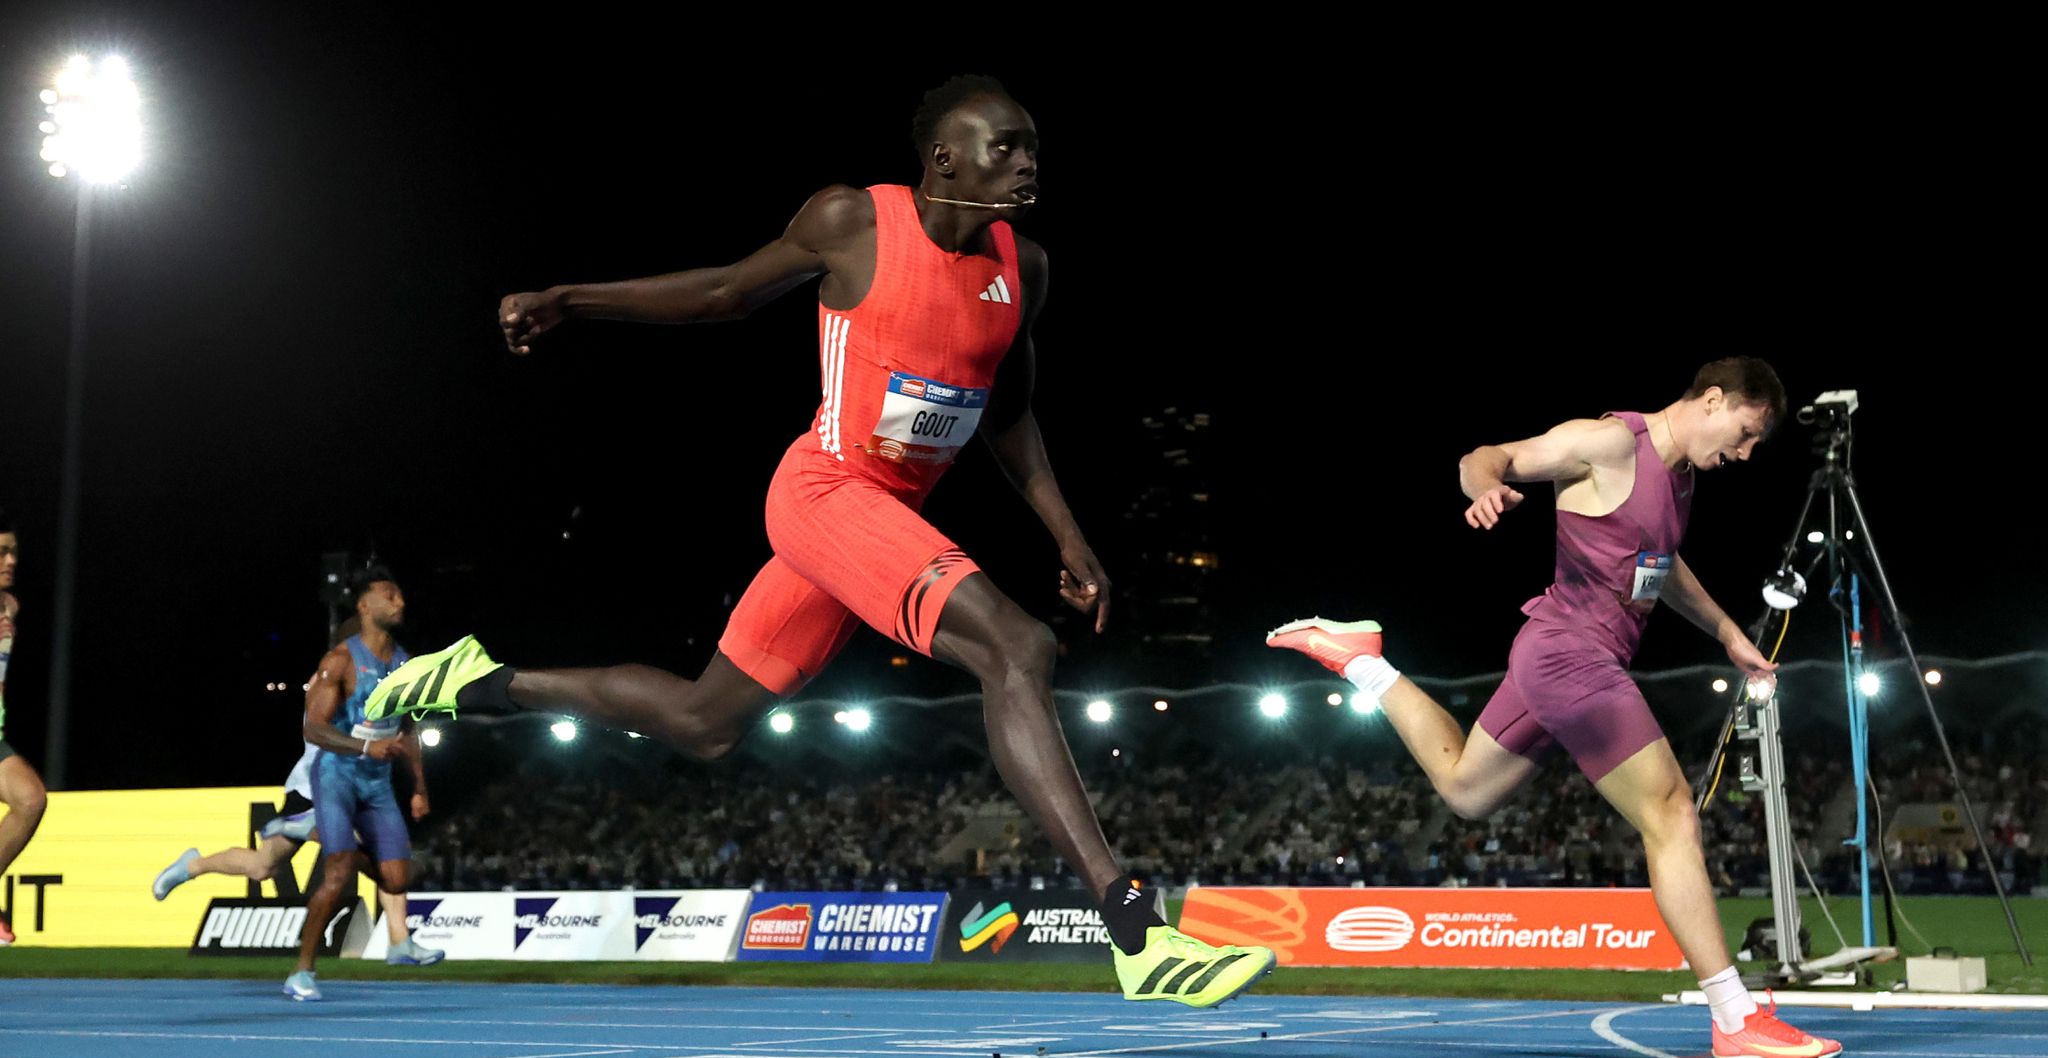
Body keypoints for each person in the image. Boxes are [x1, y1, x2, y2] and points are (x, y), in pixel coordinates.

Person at [365, 75, 1272, 1007]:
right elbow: (723, 292)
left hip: (881, 525)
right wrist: (572, 298)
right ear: (942, 158)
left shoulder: (1023, 268)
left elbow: (1010, 413)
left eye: (1032, 144)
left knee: (702, 724)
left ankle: (474, 679)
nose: (1027, 158)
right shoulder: (855, 223)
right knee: (1018, 646)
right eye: (1004, 144)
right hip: (824, 491)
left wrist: (1068, 538)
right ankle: (1135, 929)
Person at [1268, 357, 1841, 1058]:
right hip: (1572, 656)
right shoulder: (1608, 444)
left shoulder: (1680, 477)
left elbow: (1661, 565)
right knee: (1670, 813)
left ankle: (1360, 660)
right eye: (1747, 434)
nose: (1746, 455)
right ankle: (1733, 1014)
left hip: (1558, 660)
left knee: (1465, 791)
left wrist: (1727, 632)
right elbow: (1489, 456)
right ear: (1713, 400)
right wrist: (1484, 488)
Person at [151, 729, 444, 968]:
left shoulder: (390, 684)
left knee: (263, 867)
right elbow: (319, 732)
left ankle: (399, 940)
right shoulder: (335, 680)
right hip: (313, 788)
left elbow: (407, 733)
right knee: (264, 867)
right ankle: (193, 865)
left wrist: (419, 787)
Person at [285, 567, 439, 999]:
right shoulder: (340, 661)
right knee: (334, 878)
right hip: (337, 775)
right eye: (390, 595)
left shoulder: (406, 664)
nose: (400, 602)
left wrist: (420, 787)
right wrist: (361, 747)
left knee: (395, 880)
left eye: (401, 595)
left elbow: (408, 730)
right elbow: (313, 729)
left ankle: (348, 855)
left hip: (378, 783)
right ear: (364, 605)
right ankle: (303, 971)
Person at [0, 507, 49, 947]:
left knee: (31, 800)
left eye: (12, 552)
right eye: (1, 553)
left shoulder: (10, 606)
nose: (11, 561)